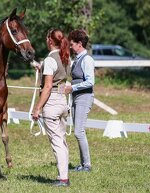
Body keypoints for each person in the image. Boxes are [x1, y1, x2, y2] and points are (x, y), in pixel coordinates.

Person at [32, 29, 71, 187]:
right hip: (62, 100)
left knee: (57, 142)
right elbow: (59, 77)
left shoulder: (50, 59)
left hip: (52, 102)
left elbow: (47, 86)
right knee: (61, 140)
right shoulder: (66, 57)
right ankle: (64, 175)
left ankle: (63, 179)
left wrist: (37, 108)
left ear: (49, 40)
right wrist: (40, 68)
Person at [65, 29, 95, 172]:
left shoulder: (87, 60)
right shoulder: (76, 60)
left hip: (84, 97)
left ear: (79, 44)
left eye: (72, 44)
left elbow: (90, 82)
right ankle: (83, 164)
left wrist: (73, 87)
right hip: (76, 96)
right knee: (78, 131)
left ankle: (87, 165)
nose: (70, 47)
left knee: (78, 132)